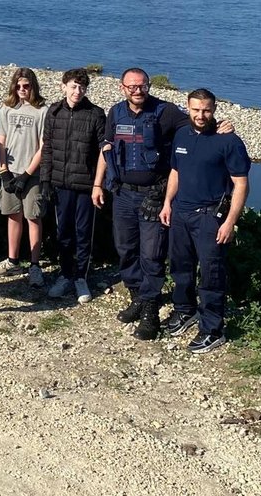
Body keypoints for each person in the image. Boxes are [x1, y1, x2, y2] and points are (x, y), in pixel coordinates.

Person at [92, 68, 234, 340]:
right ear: (122, 87)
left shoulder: (166, 111)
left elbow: (197, 125)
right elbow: (106, 148)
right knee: (125, 249)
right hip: (121, 194)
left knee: (151, 254)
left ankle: (151, 311)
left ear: (148, 86)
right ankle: (137, 296)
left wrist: (220, 125)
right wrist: (98, 184)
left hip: (153, 195)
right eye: (131, 86)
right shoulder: (115, 113)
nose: (137, 91)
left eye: (142, 86)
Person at [160, 89, 250, 354]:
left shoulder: (228, 141)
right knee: (180, 268)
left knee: (211, 274)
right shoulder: (182, 134)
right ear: (187, 108)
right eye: (196, 109)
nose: (201, 115)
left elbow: (241, 184)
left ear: (214, 109)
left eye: (206, 110)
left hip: (210, 217)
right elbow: (175, 171)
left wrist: (230, 221)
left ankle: (212, 329)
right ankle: (185, 310)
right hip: (180, 213)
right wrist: (167, 203)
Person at [39, 68, 106, 304]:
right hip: (61, 183)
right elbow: (47, 148)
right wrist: (45, 179)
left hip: (85, 185)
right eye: (74, 86)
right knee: (63, 232)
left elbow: (103, 151)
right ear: (63, 86)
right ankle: (65, 273)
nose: (77, 91)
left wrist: (99, 184)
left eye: (82, 87)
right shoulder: (54, 112)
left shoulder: (95, 114)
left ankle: (80, 277)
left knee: (83, 232)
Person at [0, 67, 47, 286]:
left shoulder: (42, 110)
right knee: (12, 215)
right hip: (11, 171)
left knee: (33, 216)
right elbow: (1, 140)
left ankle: (35, 265)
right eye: (18, 86)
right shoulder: (6, 108)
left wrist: (27, 173)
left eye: (26, 86)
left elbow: (43, 145)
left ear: (33, 86)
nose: (22, 89)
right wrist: (4, 171)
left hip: (31, 172)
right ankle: (12, 259)